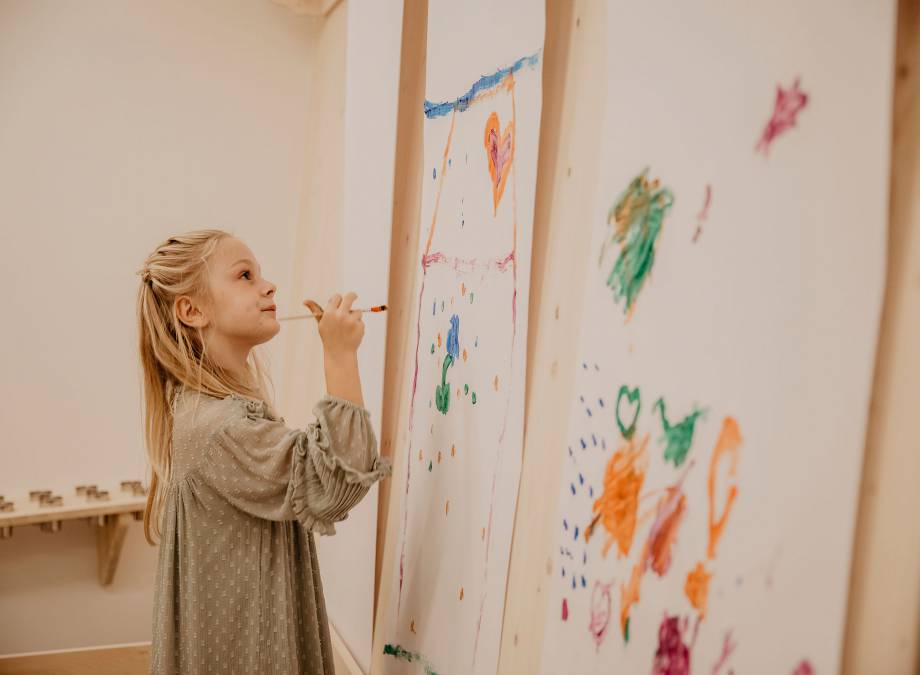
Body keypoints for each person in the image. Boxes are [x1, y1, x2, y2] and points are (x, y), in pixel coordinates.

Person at [137, 229, 390, 673]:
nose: (269, 286)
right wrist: (340, 356)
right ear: (192, 310)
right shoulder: (218, 427)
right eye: (245, 276)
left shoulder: (206, 411)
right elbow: (331, 485)